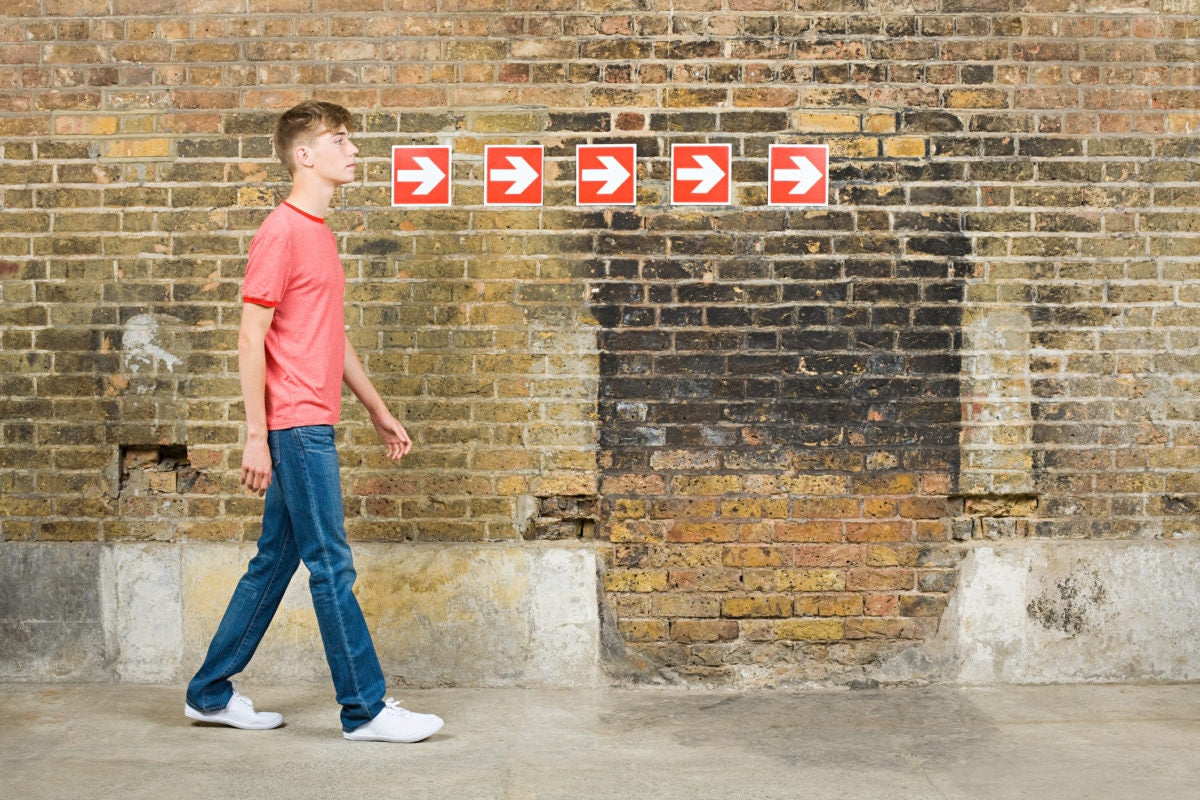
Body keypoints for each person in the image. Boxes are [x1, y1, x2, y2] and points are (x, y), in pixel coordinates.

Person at [184, 101, 443, 744]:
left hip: (309, 421)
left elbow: (330, 336)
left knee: (275, 561)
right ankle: (364, 710)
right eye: (340, 140)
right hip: (295, 427)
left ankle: (209, 694)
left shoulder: (318, 233)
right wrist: (256, 436)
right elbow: (250, 339)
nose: (353, 151)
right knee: (332, 565)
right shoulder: (281, 231)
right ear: (304, 155)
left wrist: (378, 409)